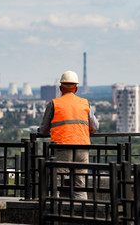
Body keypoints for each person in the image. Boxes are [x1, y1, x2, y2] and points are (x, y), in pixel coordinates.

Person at [38, 70, 99, 199]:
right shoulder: (85, 103)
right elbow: (94, 127)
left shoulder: (54, 103)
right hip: (82, 147)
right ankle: (82, 212)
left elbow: (43, 130)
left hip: (62, 146)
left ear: (60, 88)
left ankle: (54, 211)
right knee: (80, 184)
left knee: (56, 183)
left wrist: (41, 132)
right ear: (76, 89)